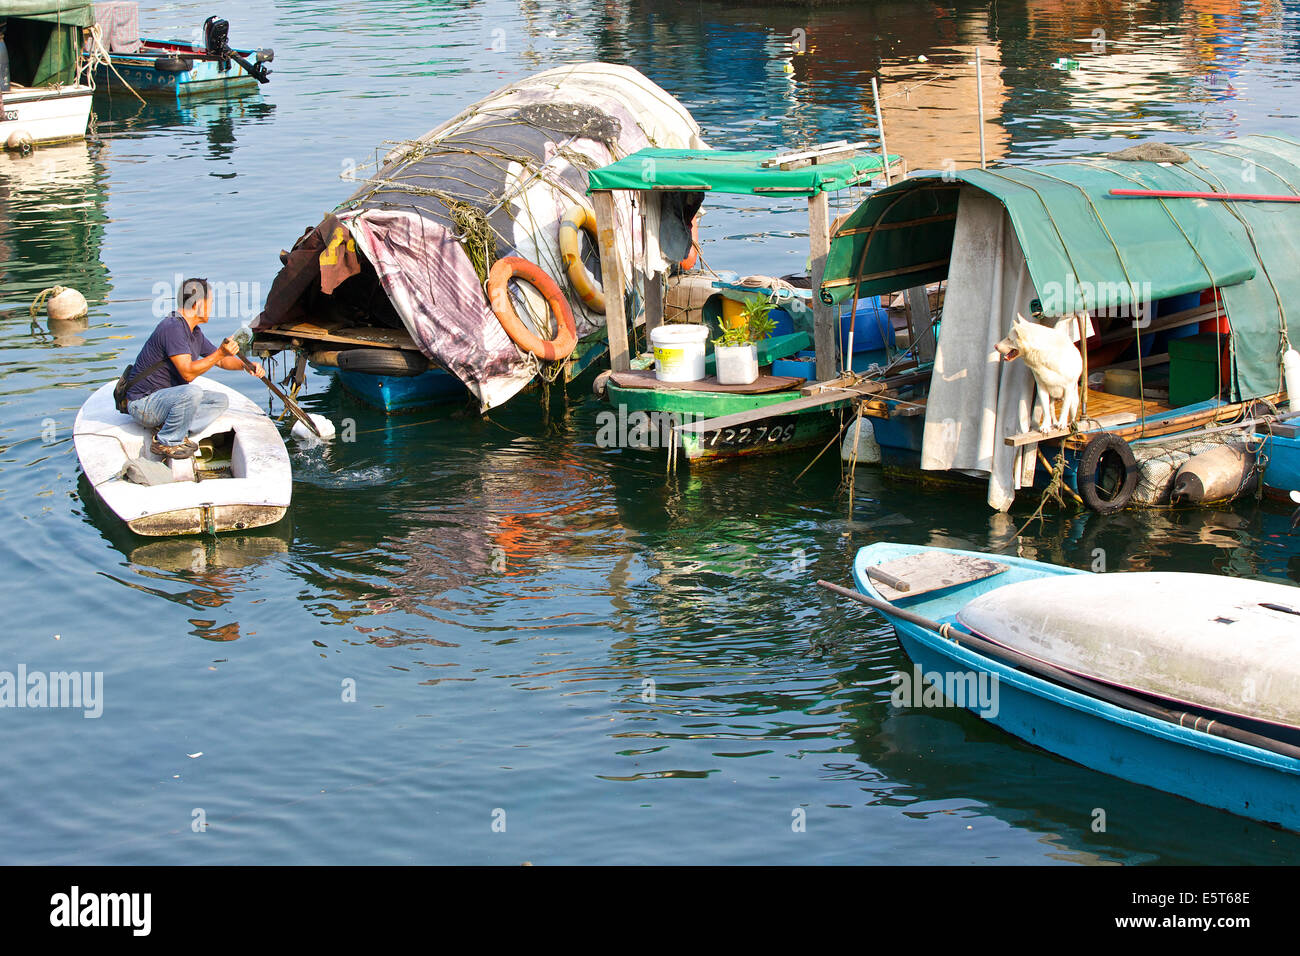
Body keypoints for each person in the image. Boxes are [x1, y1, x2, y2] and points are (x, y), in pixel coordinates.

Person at [126, 278, 265, 459]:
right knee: (192, 392)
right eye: (211, 302)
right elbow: (188, 373)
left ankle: (173, 427)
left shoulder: (194, 332)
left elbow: (221, 361)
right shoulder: (173, 327)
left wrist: (246, 366)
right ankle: (166, 440)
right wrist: (220, 353)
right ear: (199, 304)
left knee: (220, 400)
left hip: (166, 400)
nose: (212, 307)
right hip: (144, 404)